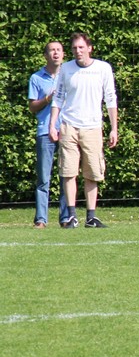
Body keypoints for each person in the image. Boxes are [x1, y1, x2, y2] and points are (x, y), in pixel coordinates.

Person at [49, 33, 118, 228]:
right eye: (74, 48)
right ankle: (71, 216)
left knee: (92, 173)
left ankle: (91, 217)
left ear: (89, 48)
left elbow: (110, 98)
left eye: (81, 47)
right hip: (68, 126)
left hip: (93, 127)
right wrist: (53, 124)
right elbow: (58, 97)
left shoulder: (103, 68)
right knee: (68, 172)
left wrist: (114, 128)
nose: (78, 51)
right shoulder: (66, 68)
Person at [27, 41, 68, 228]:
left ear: (63, 54)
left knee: (67, 175)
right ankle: (41, 219)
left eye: (59, 50)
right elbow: (32, 107)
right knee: (44, 178)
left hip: (67, 131)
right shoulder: (36, 78)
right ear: (45, 55)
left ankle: (66, 218)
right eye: (52, 50)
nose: (56, 53)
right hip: (45, 131)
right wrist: (47, 99)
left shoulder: (69, 75)